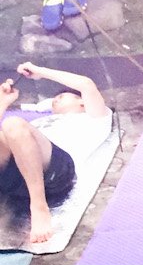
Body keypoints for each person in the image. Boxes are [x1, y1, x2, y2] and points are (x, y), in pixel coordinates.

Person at [0, 62, 112, 245]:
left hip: (57, 172)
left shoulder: (95, 119)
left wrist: (40, 72)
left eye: (62, 96)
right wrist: (3, 102)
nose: (56, 99)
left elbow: (86, 84)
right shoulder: (40, 122)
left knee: (12, 124)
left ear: (82, 102)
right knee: (10, 128)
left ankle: (39, 206)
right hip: (17, 175)